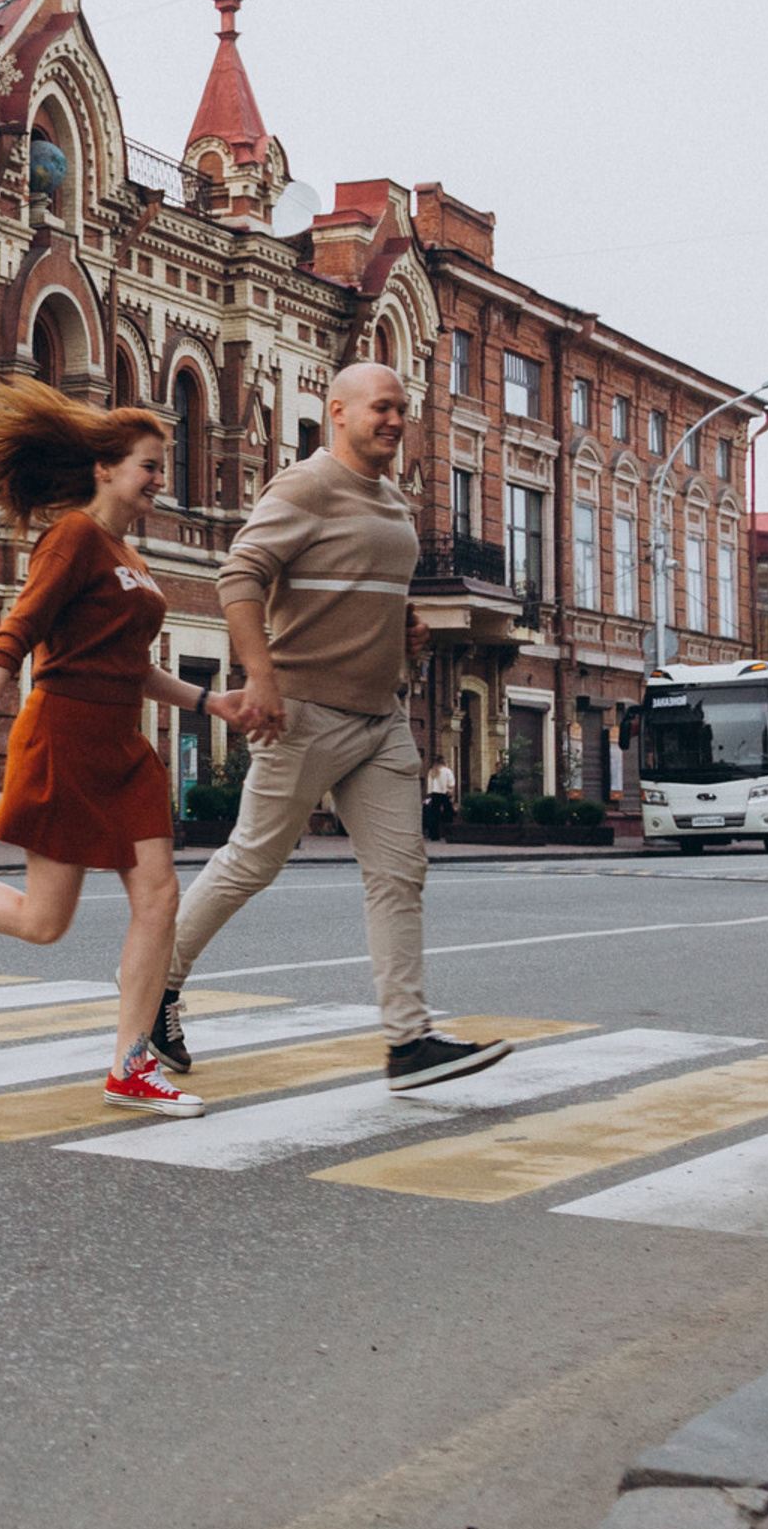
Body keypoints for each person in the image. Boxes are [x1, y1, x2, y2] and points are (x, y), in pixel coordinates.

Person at [0, 383, 257, 1118]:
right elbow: (17, 630)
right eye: (149, 467)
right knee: (44, 923)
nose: (161, 480)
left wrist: (205, 702)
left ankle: (130, 1067)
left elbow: (126, 664)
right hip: (63, 735)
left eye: (162, 468)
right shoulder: (73, 537)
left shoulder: (129, 553)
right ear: (105, 468)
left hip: (123, 746)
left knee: (159, 899)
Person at [145, 361, 511, 1094]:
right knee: (252, 861)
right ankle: (153, 988)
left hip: (381, 721)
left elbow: (366, 588)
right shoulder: (306, 485)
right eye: (381, 408)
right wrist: (264, 680)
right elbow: (239, 577)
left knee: (401, 876)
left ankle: (408, 1043)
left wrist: (399, 628)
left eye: (402, 410)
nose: (395, 421)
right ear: (337, 412)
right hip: (304, 712)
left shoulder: (394, 502)